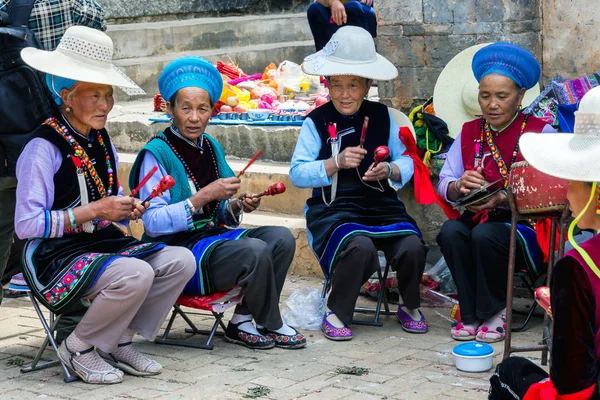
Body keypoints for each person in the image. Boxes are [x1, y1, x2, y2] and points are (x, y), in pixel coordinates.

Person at [15, 26, 196, 384]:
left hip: (99, 243)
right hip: (52, 255)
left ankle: (116, 340)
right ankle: (78, 347)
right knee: (137, 272)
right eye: (93, 95)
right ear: (66, 96)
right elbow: (27, 225)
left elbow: (105, 201)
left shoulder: (100, 140)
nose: (105, 105)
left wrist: (125, 208)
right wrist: (97, 211)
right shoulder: (42, 148)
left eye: (108, 95)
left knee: (180, 260)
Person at [129, 56, 307, 351]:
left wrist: (237, 206)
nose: (195, 117)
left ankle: (244, 319)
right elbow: (152, 223)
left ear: (212, 111)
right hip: (178, 252)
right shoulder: (156, 153)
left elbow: (219, 211)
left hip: (213, 239)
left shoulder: (211, 147)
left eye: (202, 109)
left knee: (281, 238)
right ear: (170, 109)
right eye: (185, 108)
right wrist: (203, 196)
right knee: (254, 250)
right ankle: (271, 321)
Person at [290, 26, 428, 341]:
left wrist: (390, 169)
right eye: (336, 85)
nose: (345, 94)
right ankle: (337, 311)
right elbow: (297, 172)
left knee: (412, 246)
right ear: (326, 84)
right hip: (334, 210)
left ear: (367, 85)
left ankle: (410, 306)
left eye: (353, 85)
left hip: (380, 206)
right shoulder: (316, 122)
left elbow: (409, 160)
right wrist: (334, 163)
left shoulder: (385, 116)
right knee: (360, 246)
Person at [436, 43, 556, 343]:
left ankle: (495, 312)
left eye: (502, 96)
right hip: (479, 218)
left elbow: (555, 192)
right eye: (485, 95)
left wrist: (506, 198)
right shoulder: (468, 132)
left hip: (527, 226)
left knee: (485, 235)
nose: (492, 104)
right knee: (450, 231)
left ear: (519, 96)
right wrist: (458, 186)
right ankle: (471, 312)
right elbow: (445, 182)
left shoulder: (542, 133)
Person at [489, 86, 600, 400]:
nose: (566, 192)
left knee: (508, 373)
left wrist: (569, 318)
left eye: (572, 180)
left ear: (596, 191)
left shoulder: (577, 267)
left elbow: (574, 385)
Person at [0, 0, 106, 303]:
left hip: (13, 146)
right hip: (63, 140)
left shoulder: (11, 6)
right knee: (71, 226)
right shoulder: (78, 7)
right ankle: (70, 321)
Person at [307, 0, 376, 51]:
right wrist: (333, 2)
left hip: (359, 9)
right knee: (314, 9)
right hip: (331, 9)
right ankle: (327, 61)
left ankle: (360, 58)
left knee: (352, 6)